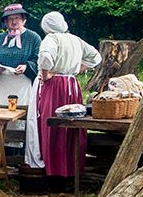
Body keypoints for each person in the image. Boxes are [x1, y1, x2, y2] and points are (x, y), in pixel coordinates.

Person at [25, 11, 101, 178]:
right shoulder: (75, 40)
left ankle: (53, 169)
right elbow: (96, 57)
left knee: (52, 123)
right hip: (71, 85)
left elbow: (45, 57)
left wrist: (46, 75)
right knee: (71, 123)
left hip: (53, 86)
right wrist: (79, 68)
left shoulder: (51, 39)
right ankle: (70, 168)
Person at [0, 3, 40, 154]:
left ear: (24, 20)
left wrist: (27, 67)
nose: (14, 22)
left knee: (18, 120)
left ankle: (17, 156)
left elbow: (40, 60)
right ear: (5, 22)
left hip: (22, 86)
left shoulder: (33, 38)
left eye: (17, 18)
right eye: (10, 19)